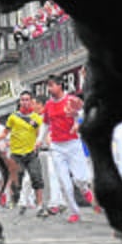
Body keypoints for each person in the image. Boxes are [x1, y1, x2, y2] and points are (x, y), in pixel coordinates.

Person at [41, 76, 89, 224]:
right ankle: (74, 212)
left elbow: (83, 113)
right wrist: (39, 140)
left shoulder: (71, 100)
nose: (49, 89)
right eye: (48, 86)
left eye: (51, 86)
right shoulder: (48, 105)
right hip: (56, 147)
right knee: (64, 182)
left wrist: (78, 123)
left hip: (73, 144)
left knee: (80, 178)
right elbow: (45, 124)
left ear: (60, 86)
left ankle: (85, 189)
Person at [0, 91, 47, 215]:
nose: (25, 102)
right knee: (17, 182)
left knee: (36, 178)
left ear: (31, 101)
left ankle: (40, 205)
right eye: (22, 100)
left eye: (27, 99)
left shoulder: (36, 118)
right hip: (16, 154)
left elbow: (40, 133)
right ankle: (17, 199)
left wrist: (38, 141)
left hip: (31, 153)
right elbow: (5, 132)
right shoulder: (13, 117)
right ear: (20, 101)